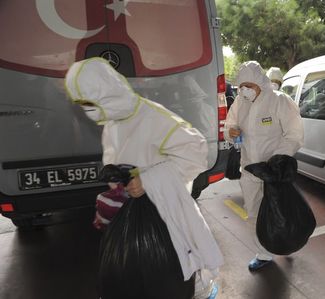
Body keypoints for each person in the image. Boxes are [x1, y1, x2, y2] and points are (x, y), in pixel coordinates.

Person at [64, 58, 223, 299]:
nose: (87, 110)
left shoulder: (154, 117)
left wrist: (147, 181)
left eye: (90, 102)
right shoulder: (112, 123)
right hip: (134, 210)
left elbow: (196, 154)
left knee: (180, 267)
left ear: (107, 94)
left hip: (166, 212)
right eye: (82, 104)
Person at [224, 61, 304, 271]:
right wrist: (230, 132)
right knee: (254, 214)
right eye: (241, 86)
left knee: (283, 212)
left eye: (248, 85)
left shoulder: (279, 101)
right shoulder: (240, 103)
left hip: (275, 173)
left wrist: (277, 161)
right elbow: (229, 125)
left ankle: (288, 243)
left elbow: (294, 135)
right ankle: (264, 253)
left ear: (261, 81)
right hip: (250, 171)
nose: (244, 90)